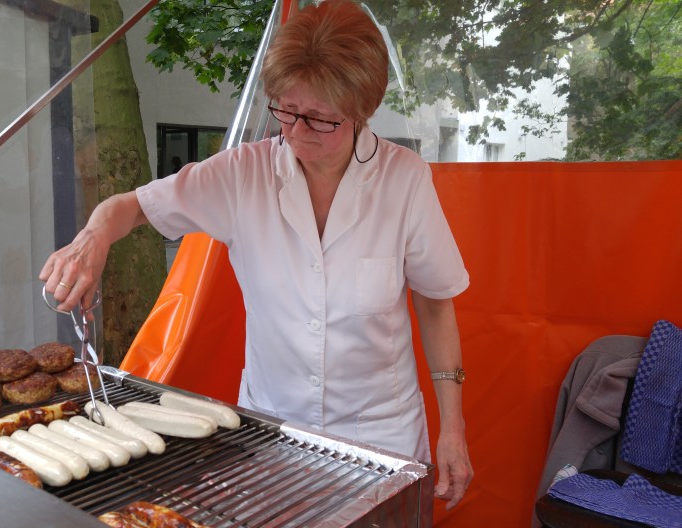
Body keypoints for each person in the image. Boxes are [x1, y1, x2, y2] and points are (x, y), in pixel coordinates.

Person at [40, 0, 473, 509]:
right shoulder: (242, 174)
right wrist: (91, 240)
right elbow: (129, 207)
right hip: (271, 431)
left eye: (320, 118)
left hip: (380, 436)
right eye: (286, 111)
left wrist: (453, 429)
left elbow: (435, 304)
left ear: (362, 110)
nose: (297, 132)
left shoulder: (405, 180)